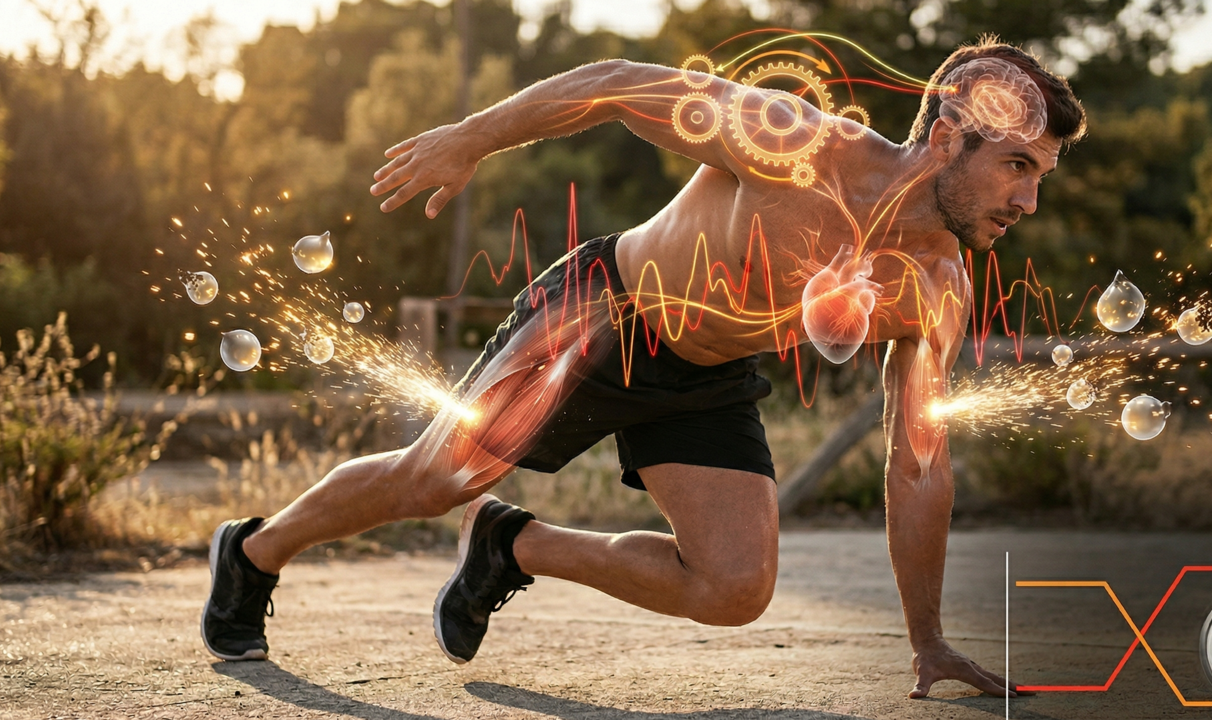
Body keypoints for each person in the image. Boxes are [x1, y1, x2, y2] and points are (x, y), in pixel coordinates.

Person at [201, 35, 1085, 699]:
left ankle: (512, 546)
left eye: (1039, 176)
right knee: (432, 480)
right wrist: (472, 136)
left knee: (736, 588)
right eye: (1015, 167)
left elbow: (918, 466)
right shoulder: (797, 146)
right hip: (600, 315)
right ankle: (253, 554)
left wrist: (926, 640)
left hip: (702, 375)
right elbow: (618, 86)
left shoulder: (937, 288)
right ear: (944, 139)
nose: (1027, 202)